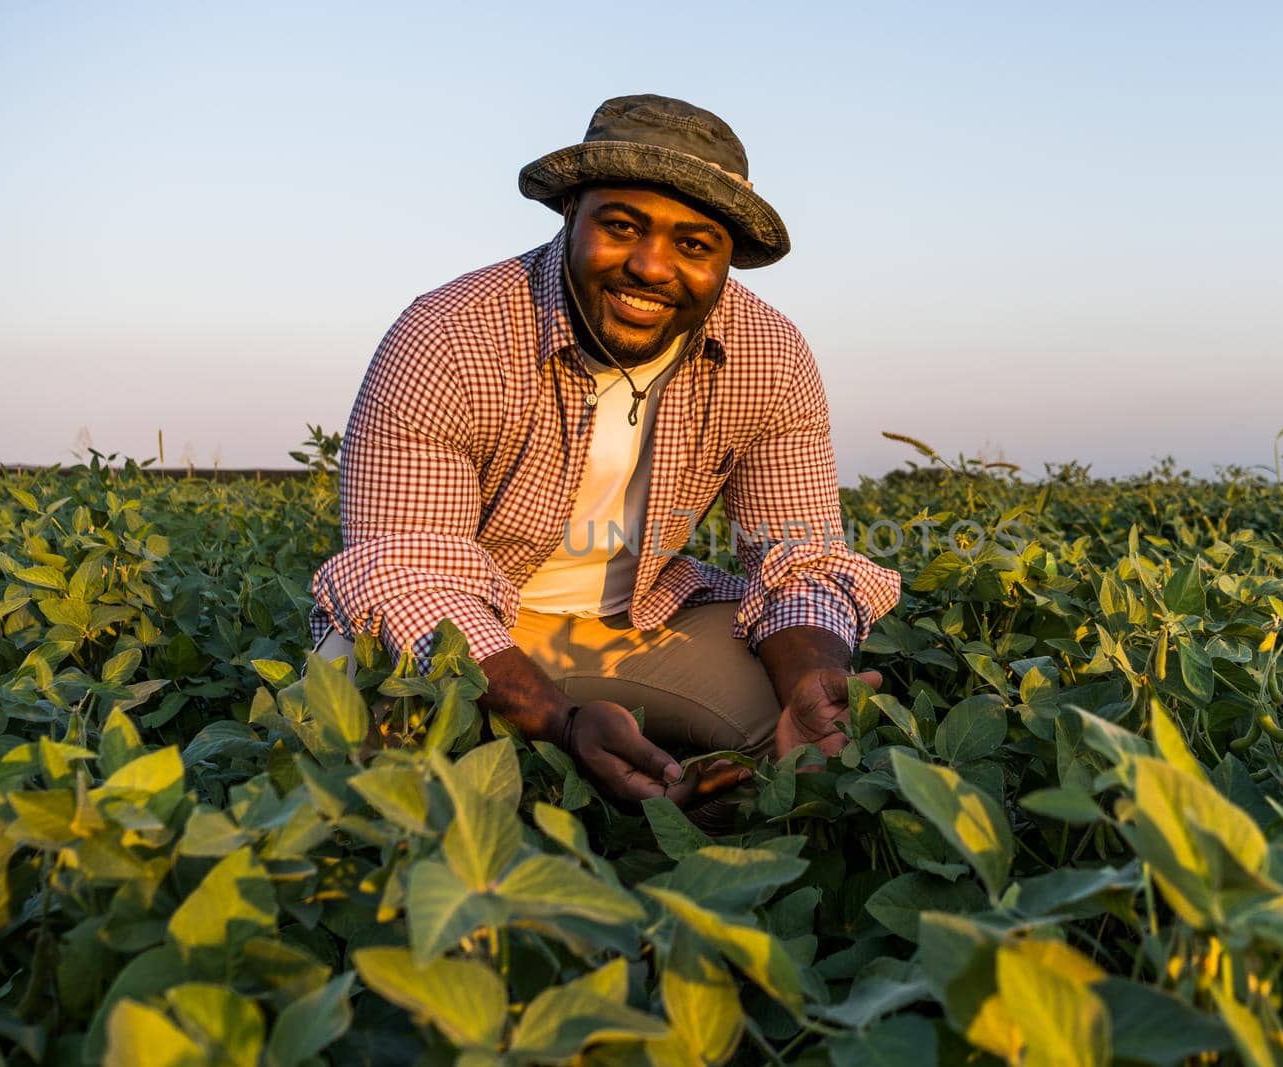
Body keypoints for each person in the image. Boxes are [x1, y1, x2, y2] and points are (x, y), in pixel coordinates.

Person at [309, 94, 900, 826]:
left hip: (636, 619)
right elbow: (407, 575)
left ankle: (685, 860)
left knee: (803, 749)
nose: (652, 267)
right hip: (470, 608)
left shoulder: (770, 355)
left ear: (725, 260)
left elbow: (799, 558)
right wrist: (560, 721)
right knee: (362, 735)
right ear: (571, 214)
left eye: (694, 244)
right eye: (621, 226)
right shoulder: (450, 336)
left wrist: (814, 673)